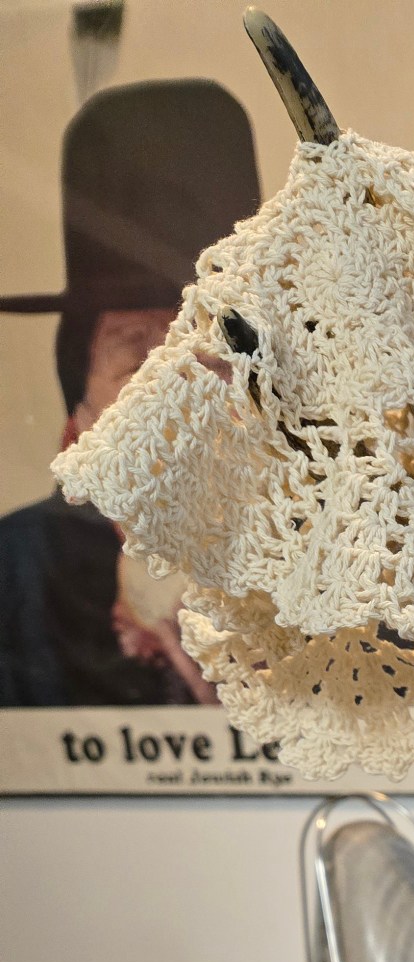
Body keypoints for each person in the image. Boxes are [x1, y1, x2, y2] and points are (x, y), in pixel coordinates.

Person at [0, 79, 260, 705]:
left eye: (201, 351)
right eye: (134, 356)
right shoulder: (16, 571)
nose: (169, 390)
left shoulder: (347, 564)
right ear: (78, 420)